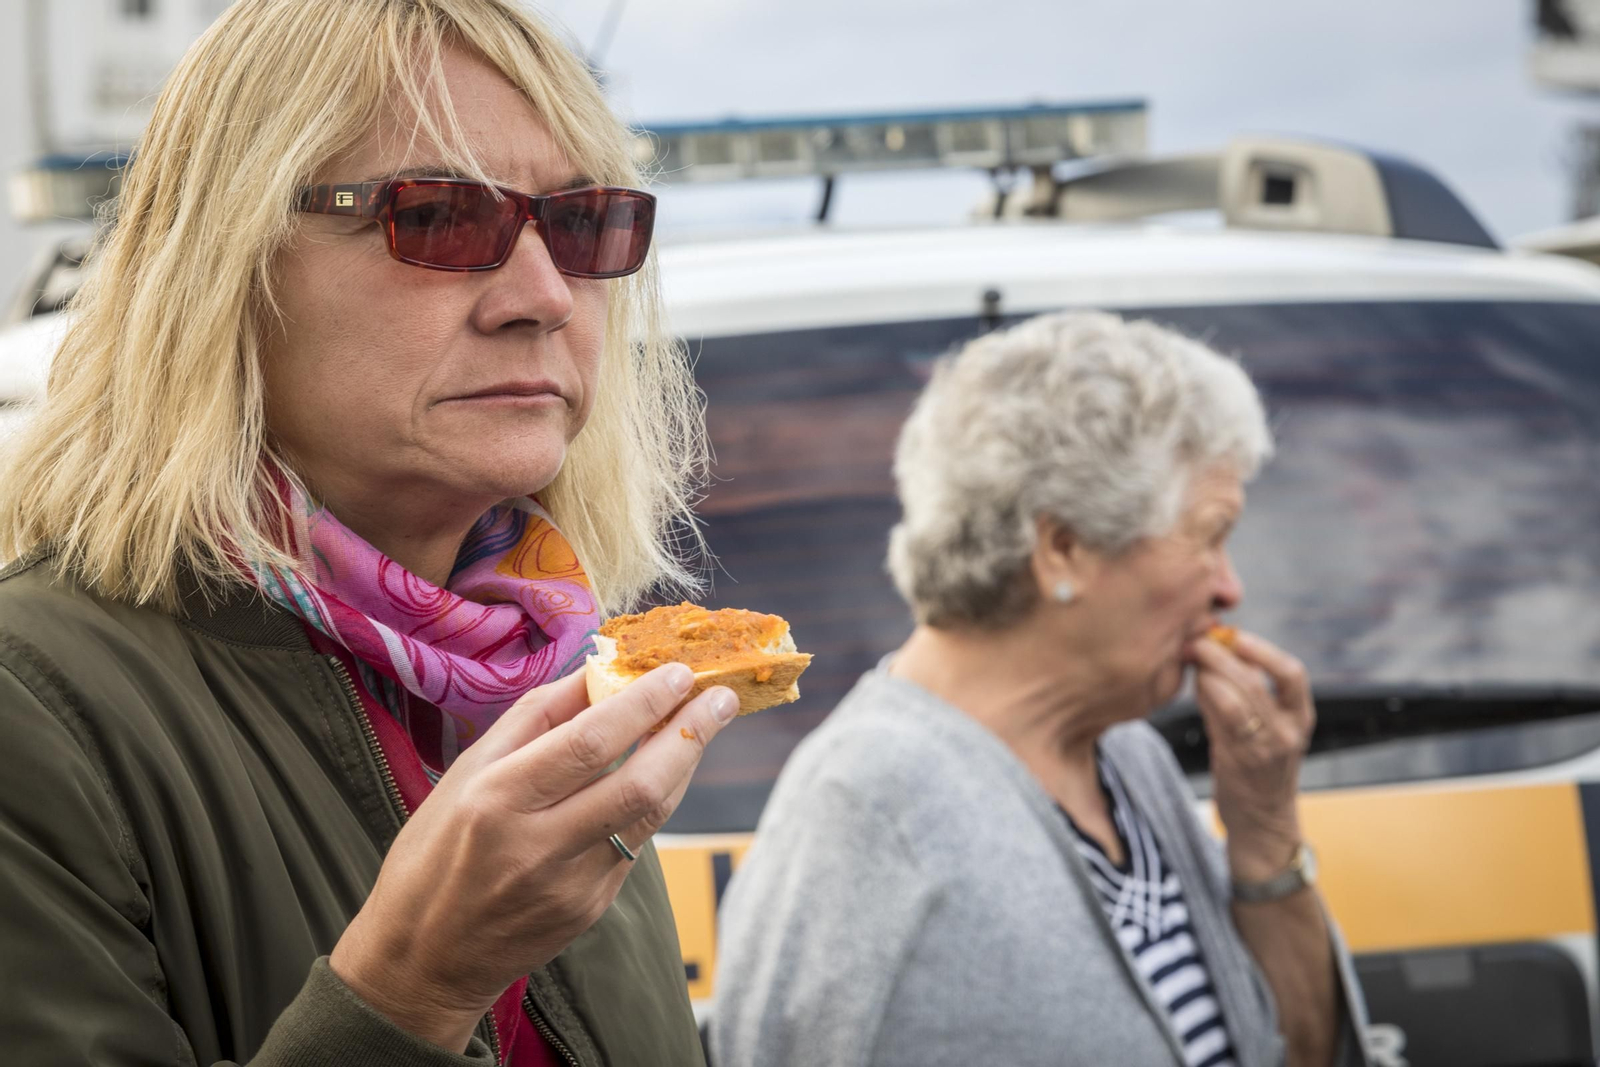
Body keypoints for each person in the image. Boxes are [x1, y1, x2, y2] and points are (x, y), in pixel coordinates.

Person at [0, 2, 735, 1064]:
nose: (541, 296)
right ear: (226, 265)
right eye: (439, 217)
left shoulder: (550, 666)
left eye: (583, 224)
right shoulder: (34, 701)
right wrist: (412, 989)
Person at [711, 311, 1371, 1067]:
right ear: (1063, 548)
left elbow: (1298, 1052)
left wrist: (1264, 830)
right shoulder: (867, 809)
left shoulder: (1125, 754)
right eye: (1211, 534)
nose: (1231, 587)